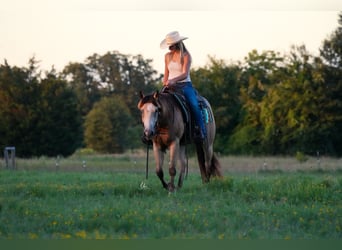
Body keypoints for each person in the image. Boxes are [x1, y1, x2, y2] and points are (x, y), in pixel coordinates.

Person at [160, 31, 206, 141]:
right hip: (171, 86)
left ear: (177, 43)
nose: (169, 48)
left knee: (193, 104)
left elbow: (185, 74)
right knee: (157, 104)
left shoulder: (186, 56)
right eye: (168, 46)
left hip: (185, 85)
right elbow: (166, 73)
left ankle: (201, 130)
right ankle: (155, 131)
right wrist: (165, 81)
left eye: (171, 45)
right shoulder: (167, 56)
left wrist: (173, 80)